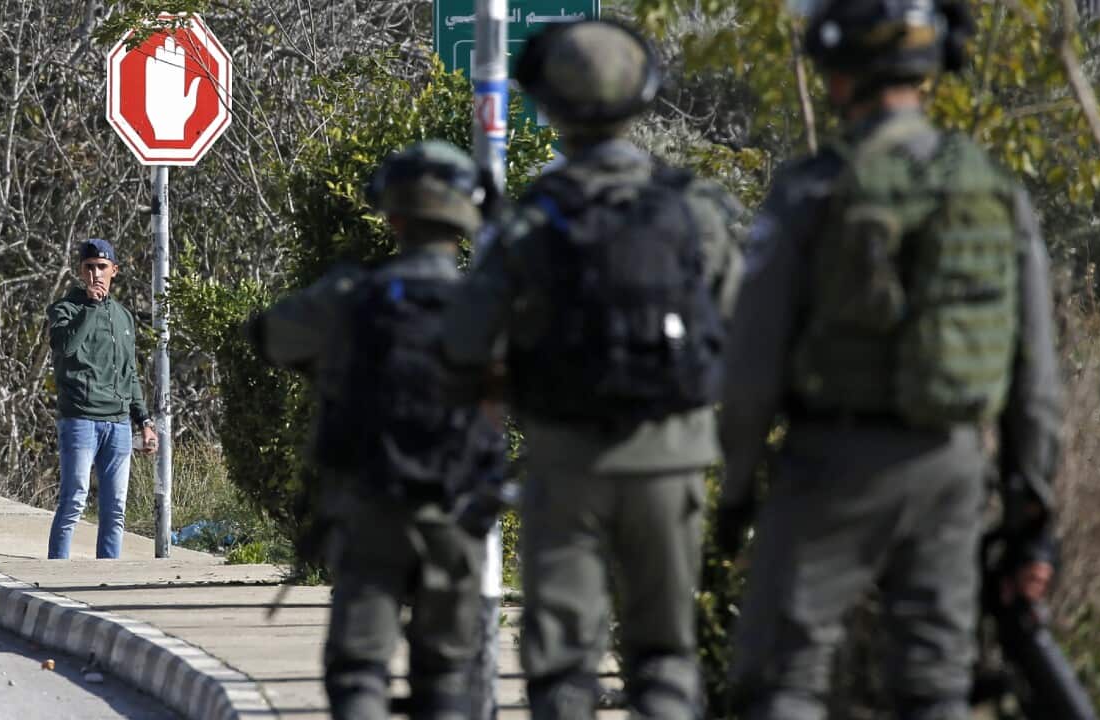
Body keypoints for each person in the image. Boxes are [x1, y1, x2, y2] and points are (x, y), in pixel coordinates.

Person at [715, 2, 1063, 718]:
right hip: (952, 466)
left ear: (841, 79)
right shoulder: (996, 190)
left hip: (831, 464)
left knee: (786, 675)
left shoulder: (812, 189)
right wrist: (1032, 510)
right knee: (934, 685)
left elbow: (751, 365)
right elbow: (1036, 380)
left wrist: (737, 485)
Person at [443, 19, 745, 720]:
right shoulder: (691, 209)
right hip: (672, 460)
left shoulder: (530, 220)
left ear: (550, 107)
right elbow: (738, 322)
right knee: (665, 654)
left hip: (565, 460)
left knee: (563, 661)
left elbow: (460, 339)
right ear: (640, 100)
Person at [246, 140, 504, 720]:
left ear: (393, 216)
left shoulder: (351, 296)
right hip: (457, 510)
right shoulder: (485, 304)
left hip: (370, 508)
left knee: (359, 668)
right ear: (466, 218)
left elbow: (267, 336)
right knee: (448, 675)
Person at [46, 238, 158, 560]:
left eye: (102, 267)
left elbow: (130, 373)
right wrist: (91, 308)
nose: (96, 274)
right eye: (89, 267)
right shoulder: (66, 308)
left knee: (115, 507)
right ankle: (57, 571)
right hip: (80, 419)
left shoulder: (123, 317)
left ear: (114, 271)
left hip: (118, 424)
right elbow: (65, 347)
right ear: (81, 272)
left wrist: (145, 422)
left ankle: (106, 574)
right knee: (74, 500)